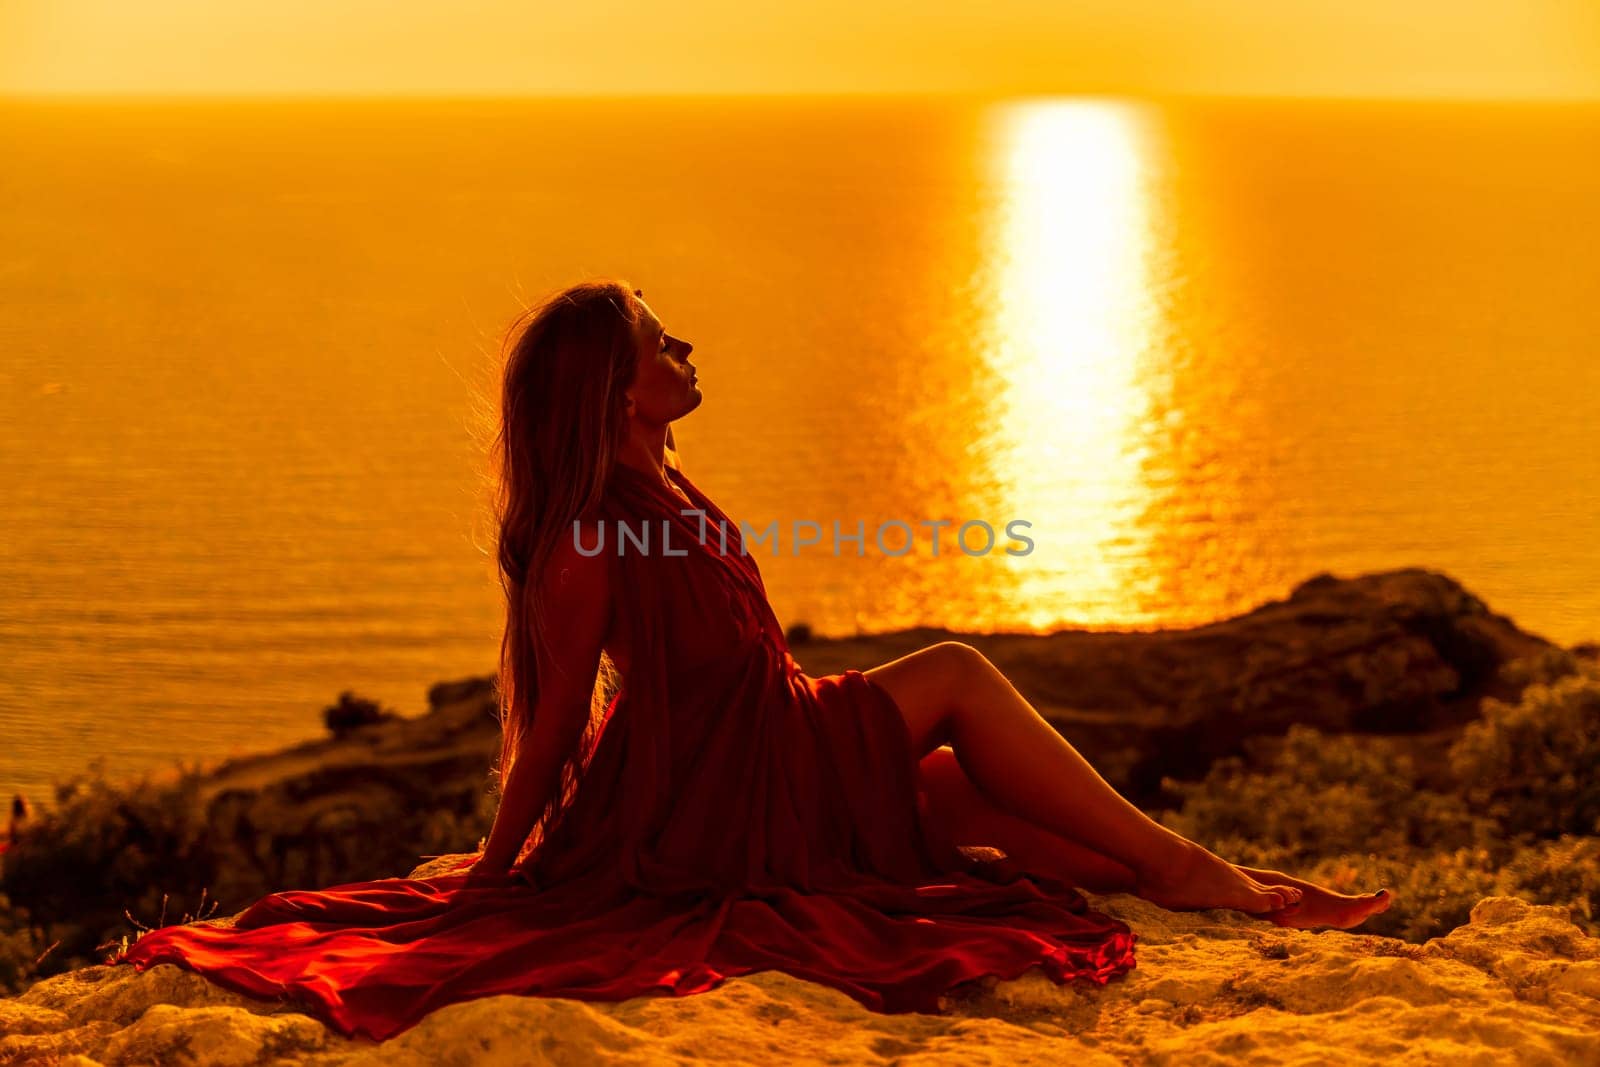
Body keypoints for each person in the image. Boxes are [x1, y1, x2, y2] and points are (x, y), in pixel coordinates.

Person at [116, 279, 1390, 1042]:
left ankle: (1225, 886)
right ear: (617, 390)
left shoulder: (655, 476)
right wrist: (500, 869)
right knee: (949, 667)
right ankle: (1203, 872)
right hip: (728, 779)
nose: (689, 357)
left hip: (776, 738)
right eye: (665, 347)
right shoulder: (581, 531)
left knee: (959, 812)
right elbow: (558, 716)